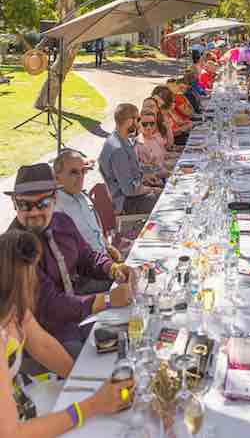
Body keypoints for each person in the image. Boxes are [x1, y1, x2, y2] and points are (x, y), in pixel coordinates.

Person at [0, 230, 134, 434]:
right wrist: (91, 405)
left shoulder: (12, 304)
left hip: (22, 401)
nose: (34, 281)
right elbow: (11, 433)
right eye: (30, 274)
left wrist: (85, 383)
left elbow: (43, 345)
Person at [6, 163, 131, 358]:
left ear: (54, 199)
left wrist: (112, 268)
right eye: (24, 205)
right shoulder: (14, 247)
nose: (33, 212)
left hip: (77, 311)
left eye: (42, 204)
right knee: (107, 360)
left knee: (133, 331)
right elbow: (50, 305)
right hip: (47, 335)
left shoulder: (62, 221)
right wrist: (106, 300)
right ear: (14, 203)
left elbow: (86, 257)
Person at [98, 103, 161, 215]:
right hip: (125, 202)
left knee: (167, 186)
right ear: (128, 121)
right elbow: (129, 190)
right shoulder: (117, 149)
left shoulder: (121, 138)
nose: (139, 123)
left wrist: (146, 175)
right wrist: (151, 190)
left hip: (132, 193)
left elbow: (131, 170)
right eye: (138, 119)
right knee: (166, 199)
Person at [54, 150, 113, 254]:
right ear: (57, 178)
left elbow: (97, 231)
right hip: (90, 266)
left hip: (106, 257)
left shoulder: (82, 197)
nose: (81, 177)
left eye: (82, 171)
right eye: (73, 172)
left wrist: (109, 249)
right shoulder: (55, 209)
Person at [135, 101, 172, 178]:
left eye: (152, 124)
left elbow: (163, 161)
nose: (148, 127)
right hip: (153, 182)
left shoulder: (157, 137)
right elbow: (143, 173)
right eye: (144, 124)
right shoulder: (137, 144)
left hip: (163, 175)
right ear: (138, 124)